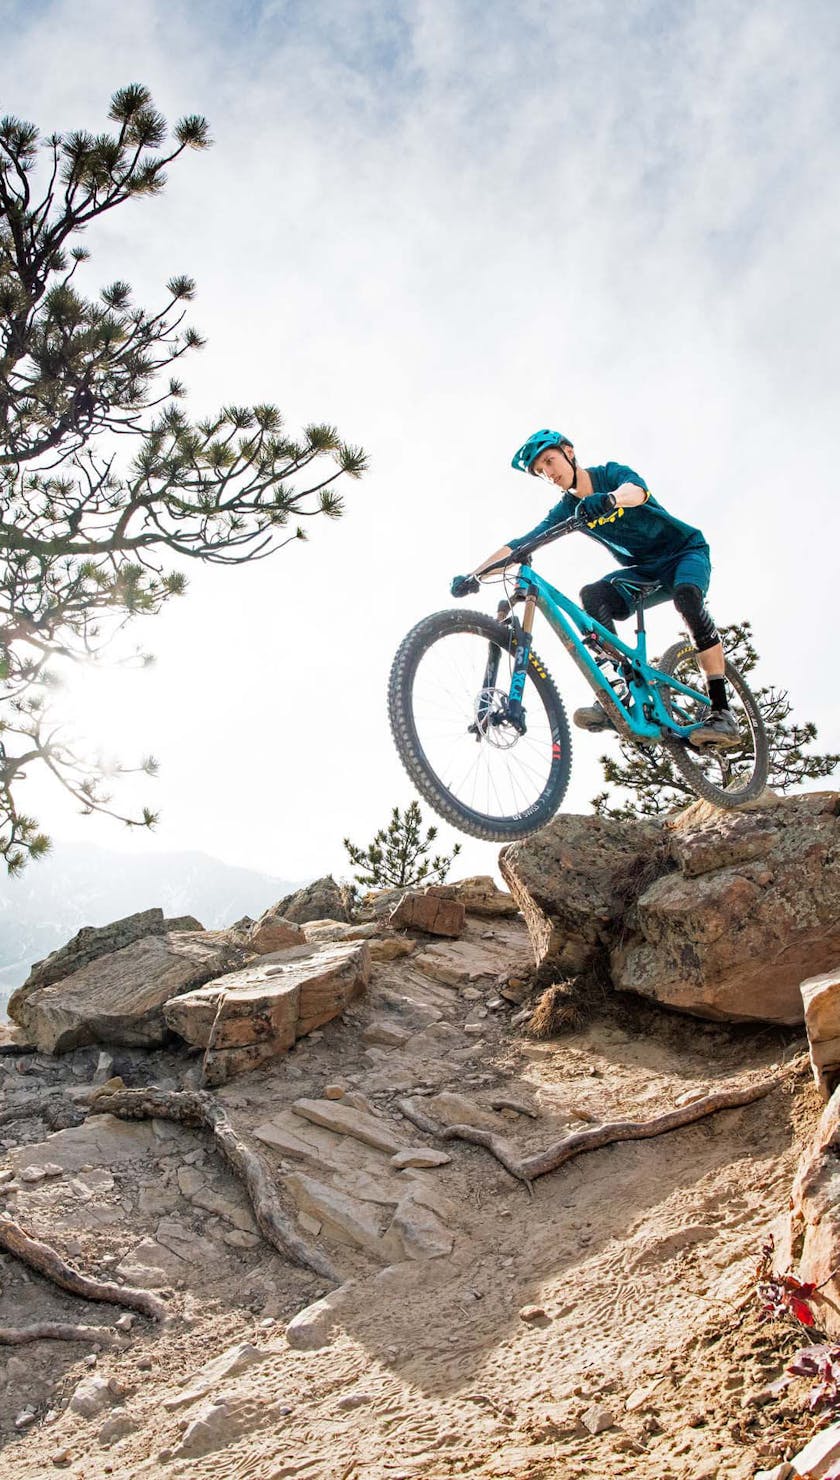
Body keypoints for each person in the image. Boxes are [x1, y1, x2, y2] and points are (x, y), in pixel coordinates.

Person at [450, 428, 739, 745]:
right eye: (541, 471)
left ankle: (722, 711)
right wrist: (475, 576)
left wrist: (611, 499)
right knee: (593, 595)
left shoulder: (609, 475)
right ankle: (616, 696)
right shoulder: (567, 509)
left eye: (550, 460)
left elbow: (637, 491)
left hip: (685, 552)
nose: (549, 473)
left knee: (687, 599)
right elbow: (522, 543)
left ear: (569, 452)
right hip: (644, 571)